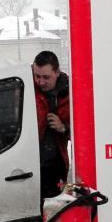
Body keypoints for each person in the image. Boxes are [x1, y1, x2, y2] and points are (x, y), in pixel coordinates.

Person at [32, 50, 71, 200]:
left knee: (52, 213)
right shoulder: (25, 87)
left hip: (55, 167)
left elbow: (83, 132)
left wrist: (63, 128)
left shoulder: (70, 93)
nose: (40, 82)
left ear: (57, 72)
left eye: (46, 77)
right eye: (37, 76)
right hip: (27, 164)